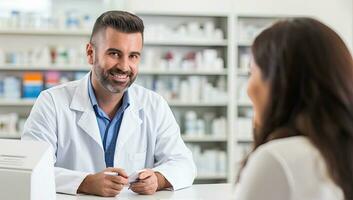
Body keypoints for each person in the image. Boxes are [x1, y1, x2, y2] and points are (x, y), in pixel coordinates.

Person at [22, 10, 196, 197]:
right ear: (90, 53)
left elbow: (184, 164)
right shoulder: (52, 103)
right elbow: (31, 169)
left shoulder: (154, 105)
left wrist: (158, 179)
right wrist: (85, 182)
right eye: (114, 53)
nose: (124, 66)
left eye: (133, 56)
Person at [234, 18, 353, 200]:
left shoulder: (277, 159)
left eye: (252, 72)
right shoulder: (339, 154)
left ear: (279, 83)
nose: (248, 89)